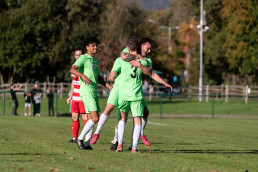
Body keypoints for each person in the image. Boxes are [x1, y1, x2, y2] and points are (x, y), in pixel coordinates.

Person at [90, 37, 173, 150]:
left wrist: (164, 83)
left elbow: (150, 73)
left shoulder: (145, 60)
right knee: (111, 109)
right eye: (148, 48)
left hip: (132, 91)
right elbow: (122, 57)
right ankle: (100, 133)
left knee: (141, 113)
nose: (149, 51)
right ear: (140, 46)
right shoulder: (131, 56)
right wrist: (114, 75)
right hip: (121, 88)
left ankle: (130, 140)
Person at [70, 37, 112, 150]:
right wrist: (82, 76)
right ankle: (80, 138)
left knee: (91, 118)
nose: (95, 47)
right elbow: (72, 69)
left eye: (96, 46)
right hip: (86, 92)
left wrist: (108, 86)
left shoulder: (95, 60)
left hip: (93, 92)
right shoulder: (83, 58)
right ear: (87, 47)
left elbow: (98, 77)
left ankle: (87, 143)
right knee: (95, 118)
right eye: (93, 46)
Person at [114, 38, 151, 153]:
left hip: (124, 94)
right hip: (136, 95)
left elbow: (123, 56)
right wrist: (140, 59)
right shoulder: (143, 61)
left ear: (128, 48)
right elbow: (148, 72)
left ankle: (119, 145)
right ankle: (134, 148)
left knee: (122, 119)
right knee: (137, 121)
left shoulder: (122, 59)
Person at [66, 47, 92, 149]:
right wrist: (70, 96)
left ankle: (86, 139)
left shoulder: (85, 66)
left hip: (83, 97)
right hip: (75, 98)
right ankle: (74, 138)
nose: (78, 56)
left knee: (85, 118)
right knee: (74, 117)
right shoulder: (74, 68)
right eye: (76, 55)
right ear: (74, 56)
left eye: (80, 55)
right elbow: (73, 82)